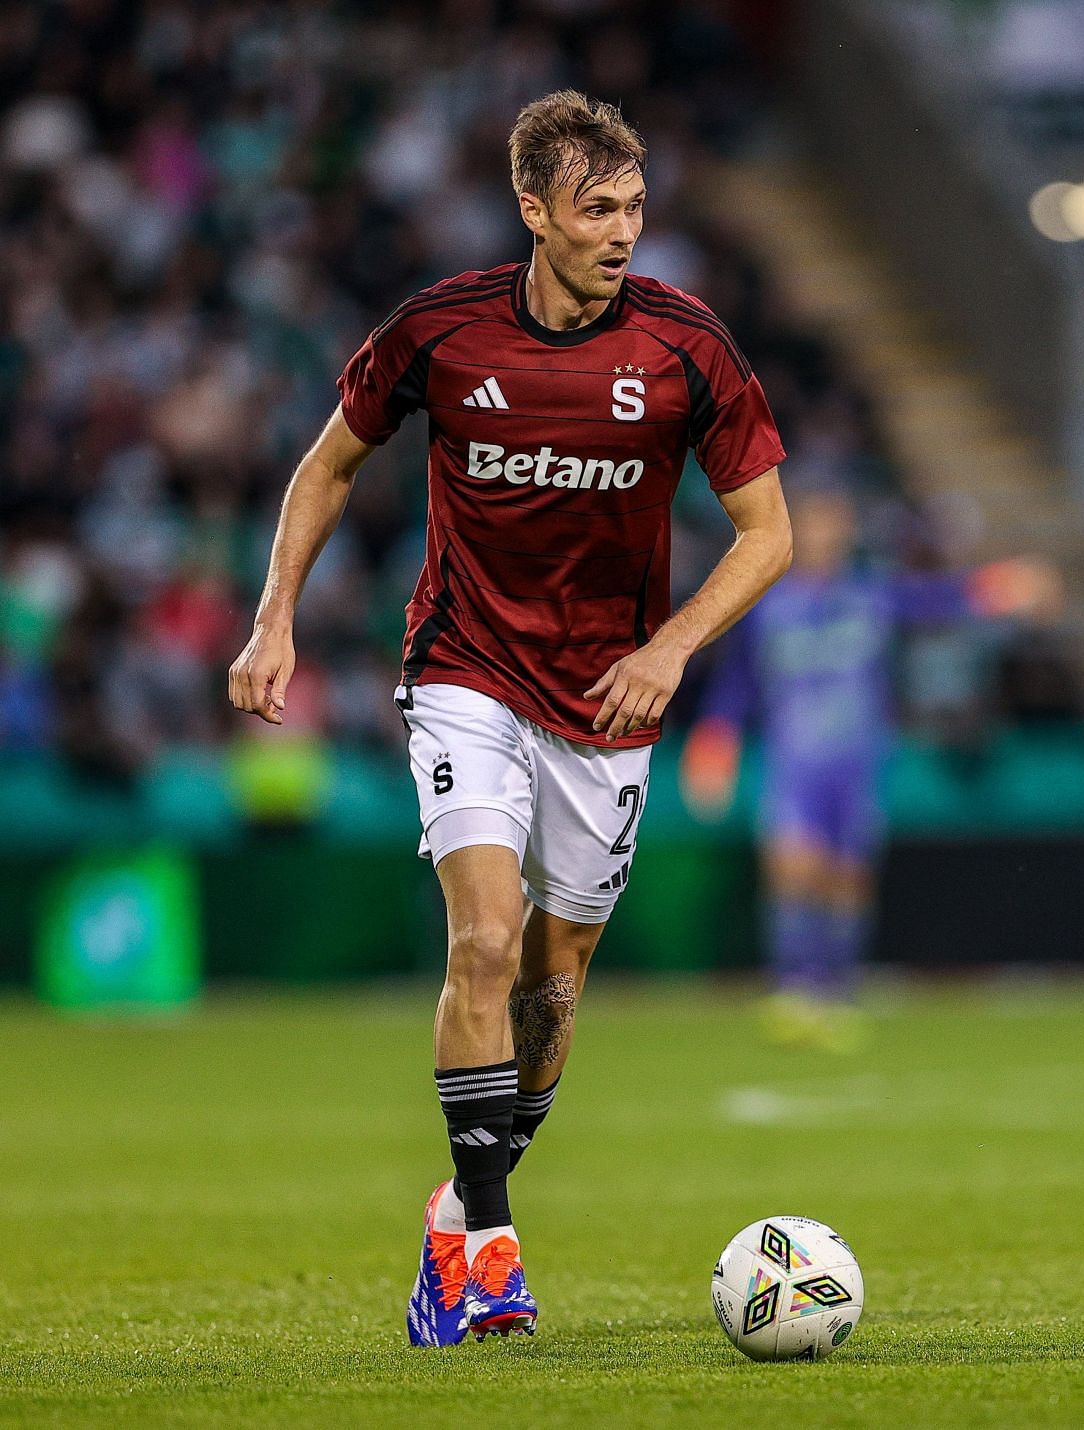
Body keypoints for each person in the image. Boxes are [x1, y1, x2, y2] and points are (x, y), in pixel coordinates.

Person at [225, 91, 791, 1347]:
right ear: (532, 210)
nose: (623, 232)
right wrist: (275, 618)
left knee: (554, 987)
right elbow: (326, 465)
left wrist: (670, 645)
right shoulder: (441, 332)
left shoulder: (686, 345)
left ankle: (459, 1211)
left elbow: (770, 532)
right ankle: (487, 1250)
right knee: (483, 939)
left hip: (609, 697)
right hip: (465, 669)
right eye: (597, 209)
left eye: (636, 207)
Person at [681, 484, 1058, 1051]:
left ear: (846, 535)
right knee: (794, 867)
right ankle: (794, 990)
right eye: (811, 527)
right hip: (795, 764)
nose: (822, 538)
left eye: (832, 527)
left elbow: (939, 600)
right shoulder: (770, 607)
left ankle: (837, 993)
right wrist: (715, 743)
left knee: (847, 879)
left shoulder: (869, 596)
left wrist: (1006, 587)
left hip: (856, 763)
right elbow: (738, 686)